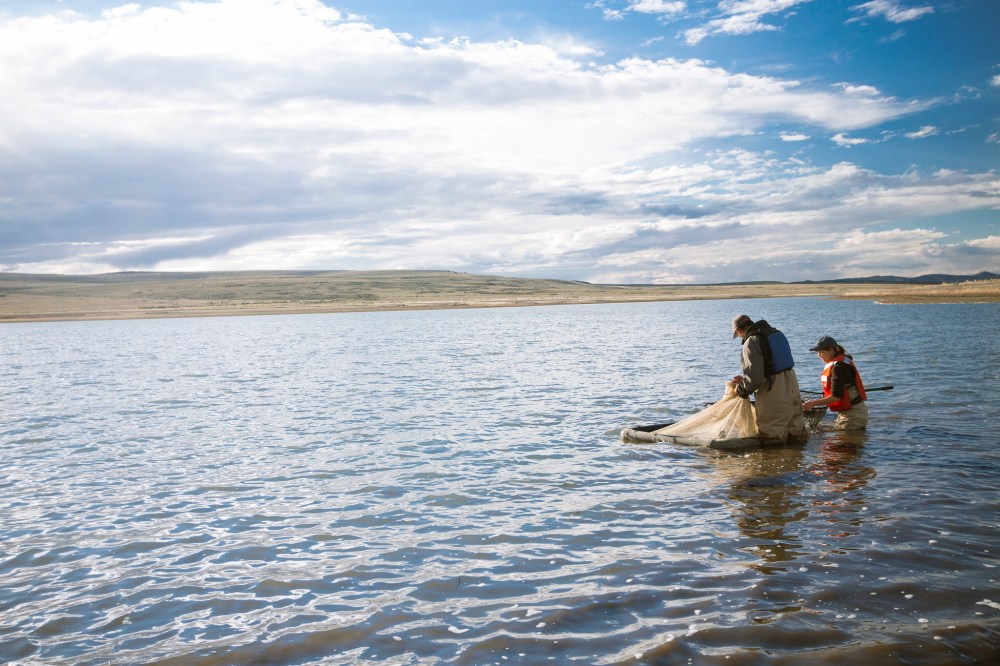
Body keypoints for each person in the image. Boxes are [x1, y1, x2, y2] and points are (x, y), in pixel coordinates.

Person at [731, 314, 806, 445]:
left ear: (739, 331)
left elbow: (756, 379)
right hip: (792, 384)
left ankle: (773, 463)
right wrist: (745, 379)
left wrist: (742, 389)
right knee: (796, 432)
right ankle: (797, 463)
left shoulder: (751, 341)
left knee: (772, 434)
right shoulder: (776, 333)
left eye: (739, 336)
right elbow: (773, 366)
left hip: (774, 390)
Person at [801, 336, 869, 430]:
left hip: (854, 416)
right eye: (817, 352)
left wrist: (812, 403)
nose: (819, 355)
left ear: (832, 350)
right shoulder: (840, 363)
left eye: (821, 352)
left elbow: (836, 396)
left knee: (845, 443)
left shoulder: (838, 368)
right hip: (849, 414)